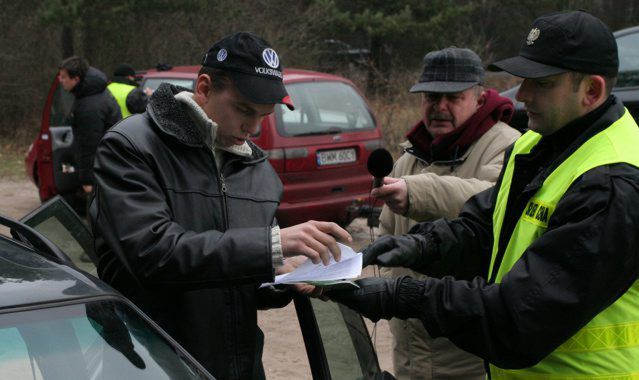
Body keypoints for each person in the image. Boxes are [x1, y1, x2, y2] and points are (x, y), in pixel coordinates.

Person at [328, 10, 639, 378]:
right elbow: (486, 229)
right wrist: (422, 246)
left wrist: (404, 296)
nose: (521, 95)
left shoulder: (611, 183)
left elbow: (518, 318)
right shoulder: (537, 145)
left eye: (541, 83)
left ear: (591, 91)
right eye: (523, 80)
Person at [90, 32, 351, 379]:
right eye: (244, 110)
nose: (254, 127)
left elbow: (235, 282)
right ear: (204, 87)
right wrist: (270, 246)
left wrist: (281, 278)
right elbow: (151, 254)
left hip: (238, 369)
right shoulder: (130, 147)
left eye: (264, 114)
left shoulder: (259, 173)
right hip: (153, 366)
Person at [372, 47, 520, 379]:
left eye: (452, 97)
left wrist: (416, 192)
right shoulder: (407, 158)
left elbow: (494, 201)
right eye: (431, 97)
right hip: (409, 355)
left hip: (471, 360)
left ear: (480, 99)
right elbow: (388, 240)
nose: (440, 107)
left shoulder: (510, 147)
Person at [58, 56, 121, 202]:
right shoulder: (92, 93)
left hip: (104, 168)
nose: (60, 80)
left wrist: (88, 179)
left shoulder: (89, 106)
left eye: (63, 77)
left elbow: (90, 143)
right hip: (109, 165)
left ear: (76, 79)